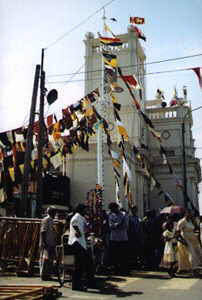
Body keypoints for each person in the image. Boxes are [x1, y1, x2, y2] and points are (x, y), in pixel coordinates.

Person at [68, 203, 95, 291]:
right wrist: (78, 231)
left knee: (88, 263)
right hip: (76, 243)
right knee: (79, 265)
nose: (86, 211)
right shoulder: (76, 217)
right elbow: (74, 224)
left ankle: (89, 283)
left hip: (81, 243)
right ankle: (76, 285)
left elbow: (85, 229)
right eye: (85, 210)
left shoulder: (82, 217)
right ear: (81, 210)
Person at [176, 210, 202, 277]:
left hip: (193, 239)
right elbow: (177, 233)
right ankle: (194, 270)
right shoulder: (182, 222)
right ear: (185, 214)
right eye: (189, 213)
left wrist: (194, 222)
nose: (191, 215)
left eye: (191, 214)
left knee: (197, 253)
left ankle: (193, 269)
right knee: (192, 254)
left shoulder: (191, 221)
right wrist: (183, 241)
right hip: (186, 239)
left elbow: (196, 228)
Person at [108, 202, 129, 275]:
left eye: (113, 209)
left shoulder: (124, 214)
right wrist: (118, 224)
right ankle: (116, 270)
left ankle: (124, 270)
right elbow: (111, 226)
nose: (112, 210)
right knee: (115, 256)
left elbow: (125, 226)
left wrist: (116, 225)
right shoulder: (111, 215)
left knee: (123, 256)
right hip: (114, 238)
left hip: (123, 238)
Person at [39, 206, 57, 280]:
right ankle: (43, 275)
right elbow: (43, 231)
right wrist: (44, 242)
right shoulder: (46, 220)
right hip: (46, 242)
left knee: (50, 259)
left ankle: (48, 274)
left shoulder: (52, 220)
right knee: (45, 259)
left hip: (51, 242)